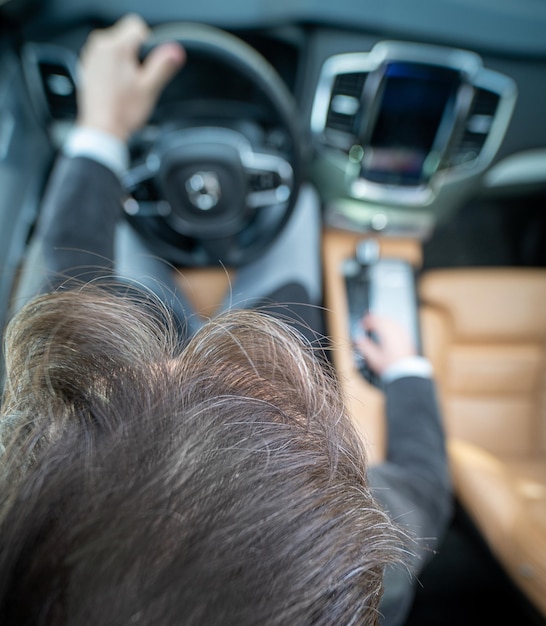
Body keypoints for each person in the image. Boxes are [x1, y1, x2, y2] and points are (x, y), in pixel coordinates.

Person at [0, 14, 452, 626]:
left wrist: (100, 133)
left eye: (116, 389)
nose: (211, 349)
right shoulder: (364, 563)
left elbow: (64, 295)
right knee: (299, 223)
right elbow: (424, 487)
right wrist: (406, 368)